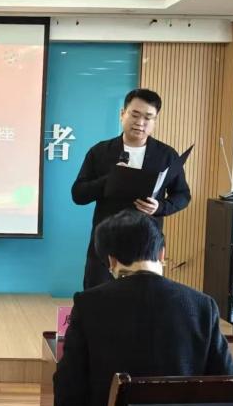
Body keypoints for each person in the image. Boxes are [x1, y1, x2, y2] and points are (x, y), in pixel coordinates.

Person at [50, 210, 233, 406]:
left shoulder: (89, 304)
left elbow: (69, 389)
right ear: (162, 253)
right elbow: (231, 383)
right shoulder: (201, 306)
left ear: (111, 260)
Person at [72, 88, 191, 289]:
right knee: (98, 295)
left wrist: (160, 207)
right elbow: (78, 194)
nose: (140, 122)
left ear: (155, 121)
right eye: (135, 115)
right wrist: (109, 179)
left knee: (145, 299)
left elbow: (182, 195)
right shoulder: (100, 151)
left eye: (148, 117)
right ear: (122, 114)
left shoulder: (166, 155)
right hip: (107, 239)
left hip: (147, 242)